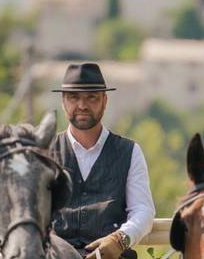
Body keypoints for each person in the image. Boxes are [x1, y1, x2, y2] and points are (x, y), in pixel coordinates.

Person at [49, 62, 155, 259]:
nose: (82, 106)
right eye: (73, 98)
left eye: (92, 98)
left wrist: (119, 240)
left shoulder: (129, 151)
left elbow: (143, 210)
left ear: (105, 101)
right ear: (63, 102)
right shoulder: (45, 153)